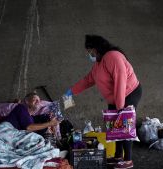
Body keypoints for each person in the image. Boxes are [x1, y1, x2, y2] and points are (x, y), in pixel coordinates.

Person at [65, 34, 142, 169]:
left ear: (97, 48)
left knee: (124, 124)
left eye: (90, 51)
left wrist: (120, 107)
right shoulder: (98, 63)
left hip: (128, 93)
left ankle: (128, 160)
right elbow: (89, 79)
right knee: (115, 126)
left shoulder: (113, 56)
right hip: (115, 97)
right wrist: (72, 91)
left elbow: (120, 81)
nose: (89, 54)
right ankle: (118, 156)